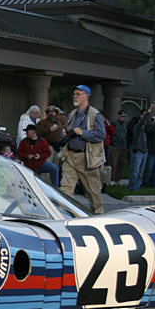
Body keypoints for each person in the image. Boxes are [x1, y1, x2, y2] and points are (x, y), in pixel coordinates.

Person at [60, 85, 107, 214]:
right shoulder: (72, 114)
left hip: (87, 158)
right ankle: (63, 216)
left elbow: (101, 134)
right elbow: (67, 130)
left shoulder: (94, 114)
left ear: (86, 96)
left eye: (78, 94)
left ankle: (98, 217)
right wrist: (64, 134)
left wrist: (83, 133)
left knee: (93, 192)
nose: (75, 97)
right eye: (74, 94)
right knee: (65, 189)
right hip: (70, 156)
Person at [127, 102, 155, 191]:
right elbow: (143, 120)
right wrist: (150, 109)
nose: (144, 122)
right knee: (135, 172)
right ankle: (132, 187)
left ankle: (137, 187)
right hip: (138, 152)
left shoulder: (144, 131)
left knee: (140, 173)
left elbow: (151, 130)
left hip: (144, 152)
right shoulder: (137, 128)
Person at [108, 109, 128, 186]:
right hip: (115, 146)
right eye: (122, 116)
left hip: (123, 146)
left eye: (124, 116)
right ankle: (111, 179)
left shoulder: (125, 125)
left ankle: (117, 179)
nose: (123, 117)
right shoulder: (114, 123)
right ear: (118, 116)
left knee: (121, 163)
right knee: (113, 163)